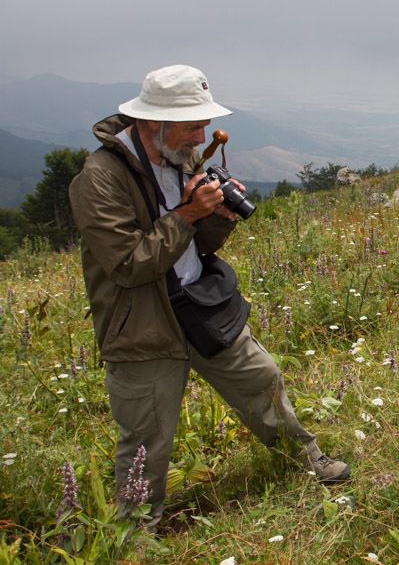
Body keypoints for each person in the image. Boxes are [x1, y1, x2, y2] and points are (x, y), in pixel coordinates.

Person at [69, 65, 348, 527]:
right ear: (153, 122)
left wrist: (217, 217)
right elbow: (128, 264)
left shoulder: (179, 162)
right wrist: (187, 213)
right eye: (192, 125)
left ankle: (307, 462)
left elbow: (194, 246)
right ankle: (136, 531)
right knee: (146, 438)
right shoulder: (100, 178)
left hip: (200, 307)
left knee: (262, 379)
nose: (200, 136)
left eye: (203, 123)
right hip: (142, 325)